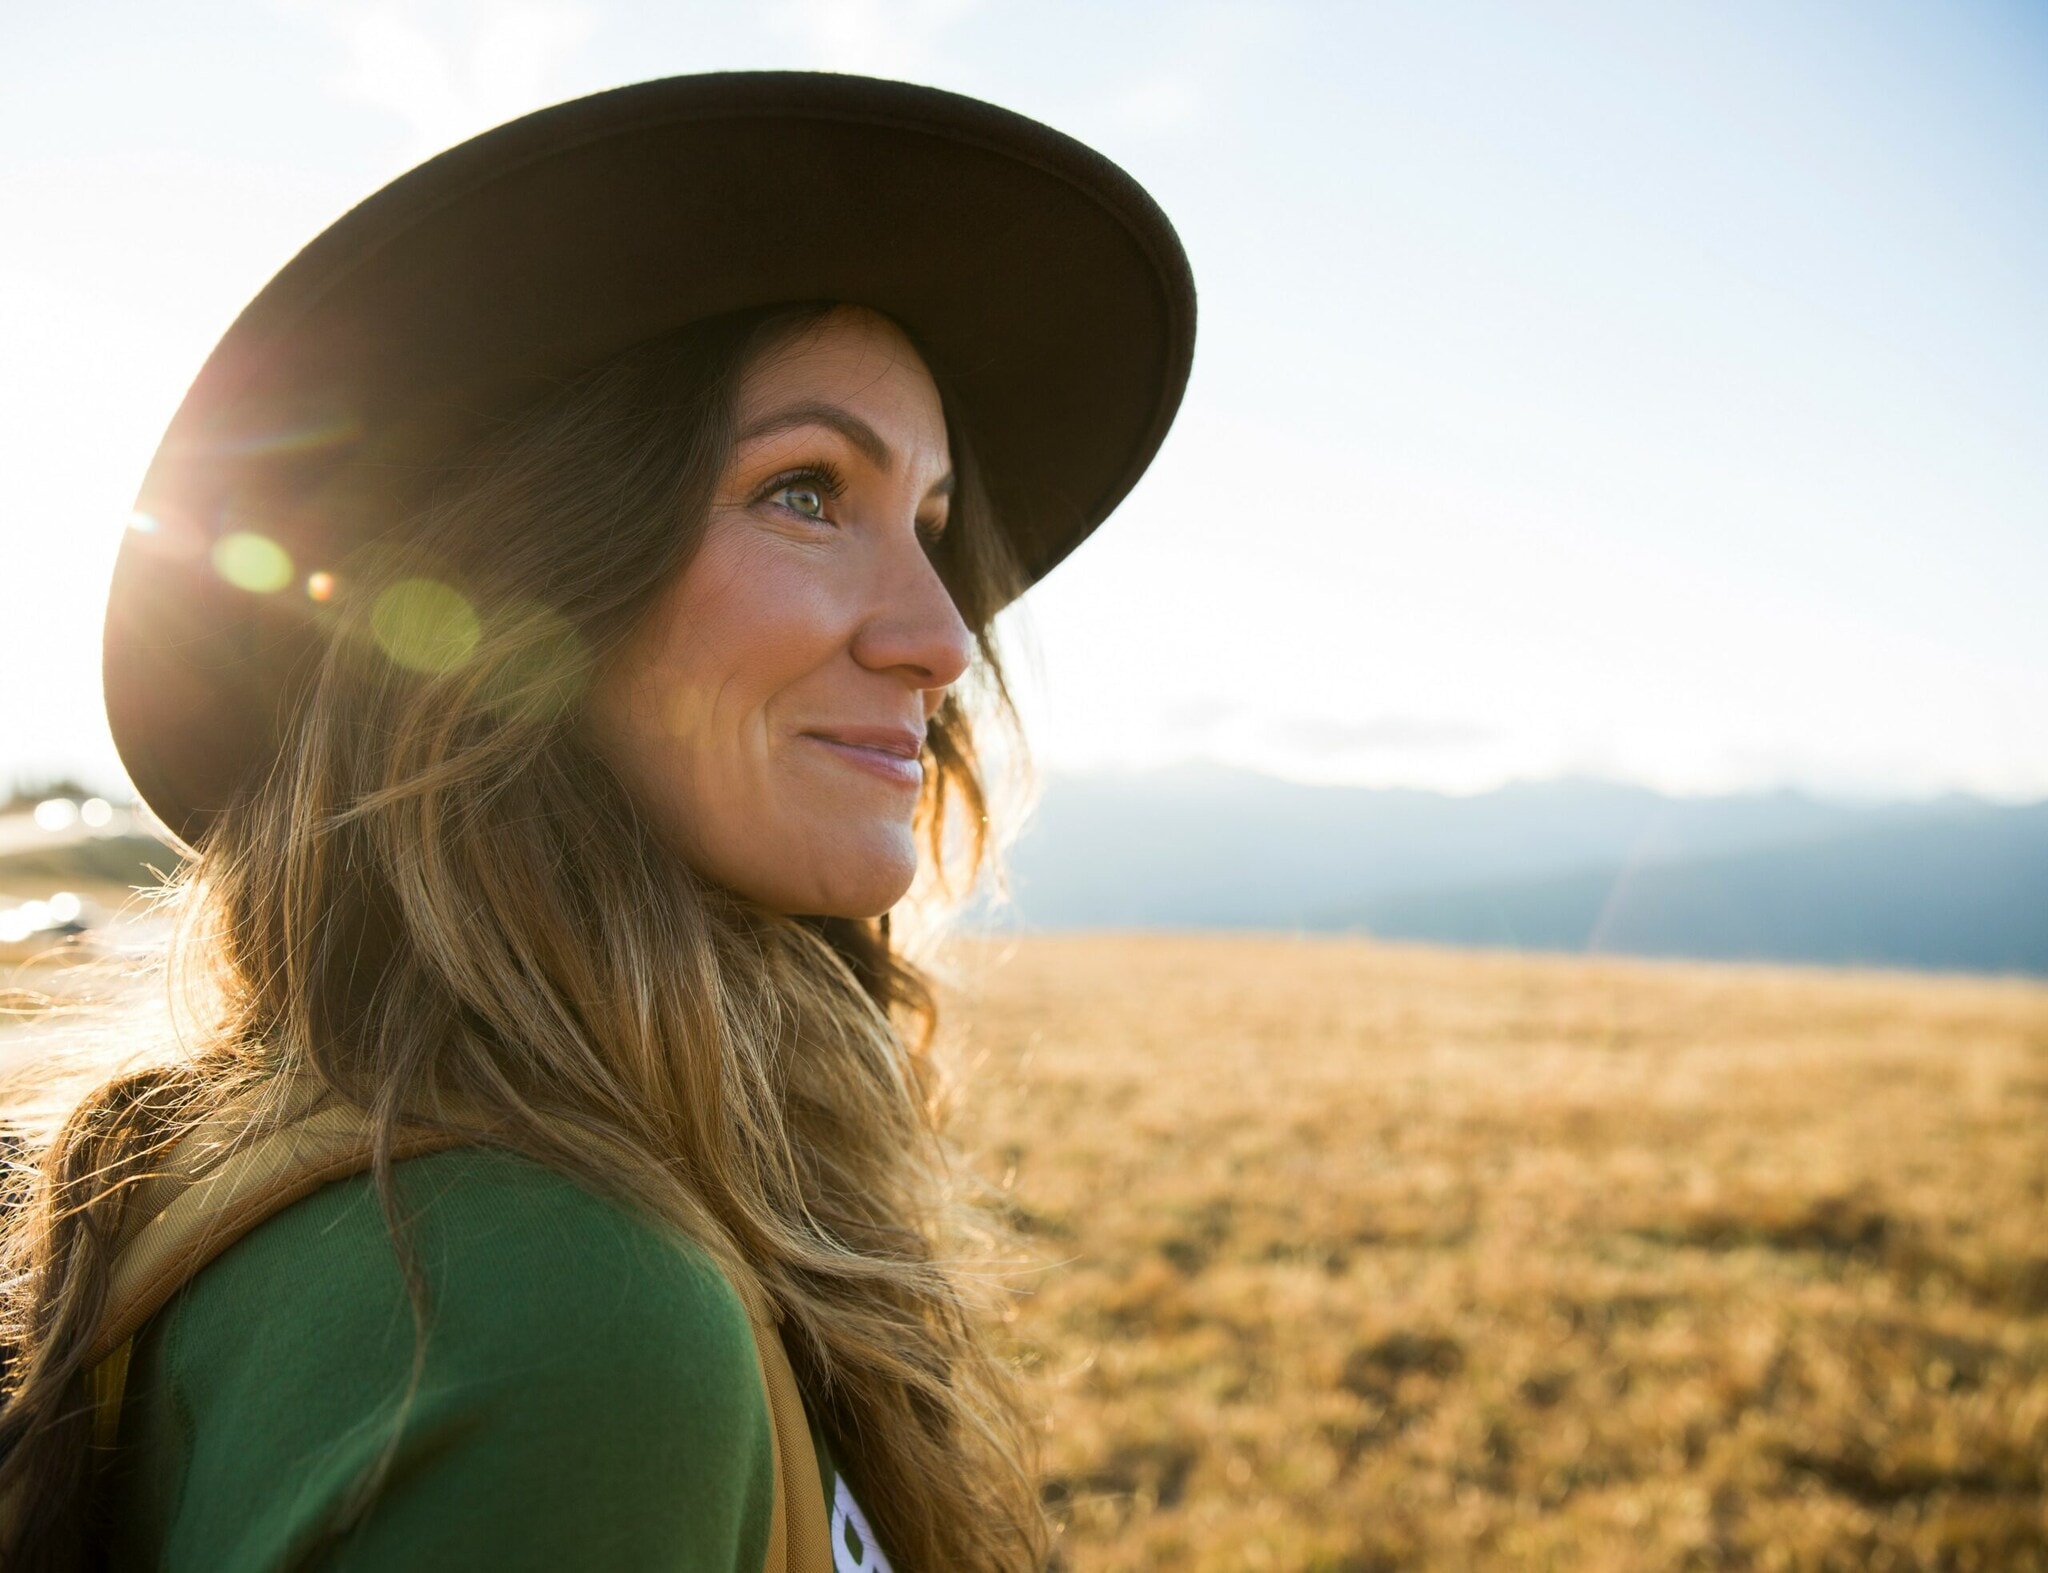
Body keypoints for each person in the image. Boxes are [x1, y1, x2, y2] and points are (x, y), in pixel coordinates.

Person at [0, 72, 1193, 1572]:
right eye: (810, 492)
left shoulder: (363, 1177)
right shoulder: (564, 1313)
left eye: (934, 527)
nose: (944, 638)